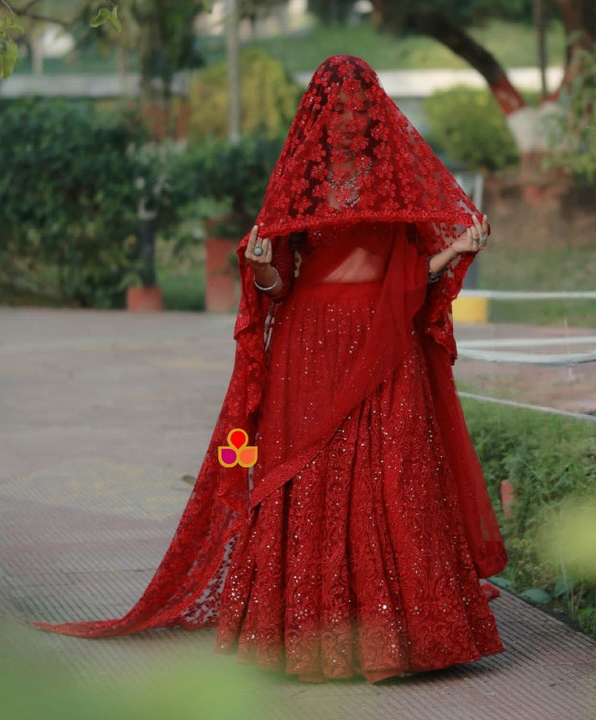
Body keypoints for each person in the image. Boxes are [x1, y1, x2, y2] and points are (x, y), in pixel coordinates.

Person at [35, 55, 507, 683]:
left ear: (374, 110)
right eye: (333, 106)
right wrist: (260, 267)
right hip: (307, 350)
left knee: (395, 472)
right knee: (288, 473)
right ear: (317, 111)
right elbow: (279, 284)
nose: (345, 117)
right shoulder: (302, 179)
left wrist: (456, 247)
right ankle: (301, 635)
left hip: (384, 349)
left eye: (357, 105)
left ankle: (405, 638)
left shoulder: (397, 179)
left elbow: (404, 281)